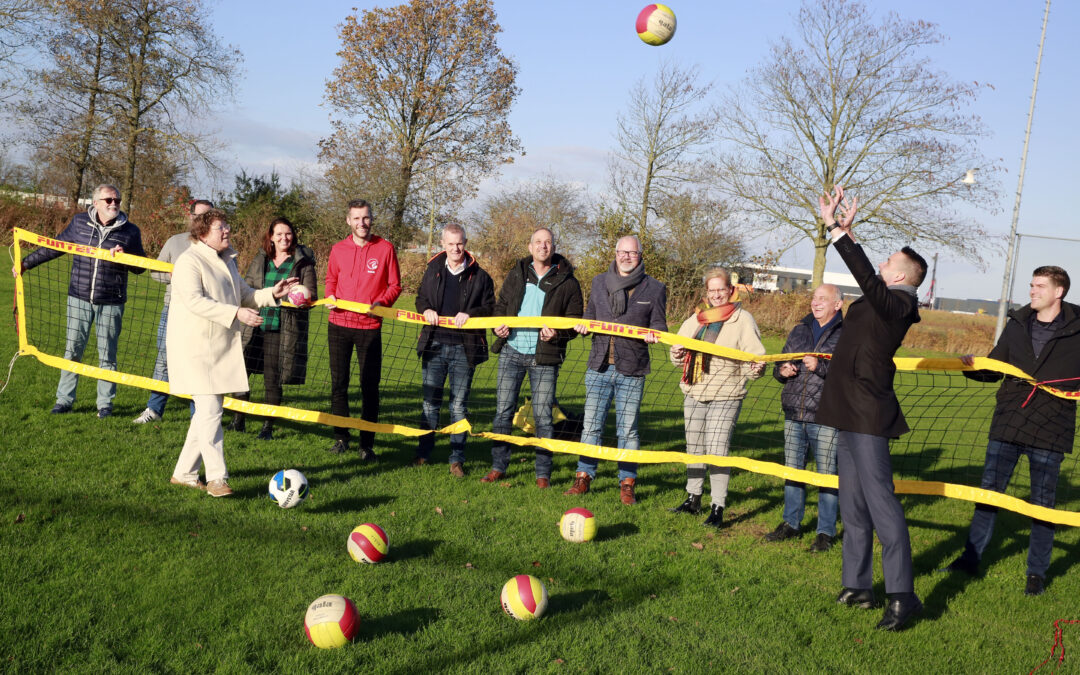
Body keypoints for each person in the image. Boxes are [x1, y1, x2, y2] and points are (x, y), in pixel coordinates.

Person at [815, 185, 927, 631]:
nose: (881, 263)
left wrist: (839, 232)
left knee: (882, 504)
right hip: (846, 408)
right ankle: (858, 584)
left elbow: (868, 280)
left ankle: (903, 595)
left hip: (867, 412)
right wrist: (847, 231)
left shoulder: (900, 303)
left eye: (887, 262)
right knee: (854, 503)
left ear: (900, 276)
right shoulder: (886, 298)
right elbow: (870, 289)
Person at [943, 266, 1080, 596]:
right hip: (1008, 423)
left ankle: (1036, 574)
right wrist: (973, 368)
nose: (1032, 291)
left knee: (1042, 506)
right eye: (1032, 285)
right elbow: (995, 367)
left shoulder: (1077, 329)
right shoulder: (1017, 323)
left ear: (1058, 292)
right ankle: (970, 560)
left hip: (1051, 428)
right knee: (988, 496)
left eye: (1040, 286)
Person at [166, 209, 295, 496]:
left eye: (227, 226)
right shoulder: (189, 261)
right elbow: (194, 301)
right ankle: (217, 479)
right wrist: (236, 313)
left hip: (218, 349)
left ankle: (184, 473)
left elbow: (246, 294)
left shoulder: (227, 260)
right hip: (195, 349)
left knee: (206, 414)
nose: (227, 231)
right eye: (220, 227)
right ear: (203, 233)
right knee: (211, 411)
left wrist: (273, 293)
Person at [16, 184, 145, 418]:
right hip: (79, 297)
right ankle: (64, 400)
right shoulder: (79, 223)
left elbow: (141, 267)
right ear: (95, 203)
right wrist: (25, 263)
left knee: (108, 355)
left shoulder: (130, 231)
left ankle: (105, 405)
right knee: (73, 350)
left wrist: (126, 258)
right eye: (108, 200)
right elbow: (54, 247)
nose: (114, 204)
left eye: (117, 200)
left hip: (112, 301)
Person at [565, 235, 667, 505]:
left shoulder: (655, 288)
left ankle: (627, 482)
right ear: (615, 253)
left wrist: (654, 333)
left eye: (632, 253)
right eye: (622, 252)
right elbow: (590, 315)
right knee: (590, 427)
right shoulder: (599, 282)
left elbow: (659, 324)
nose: (626, 257)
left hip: (632, 369)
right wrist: (584, 325)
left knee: (628, 430)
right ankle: (583, 476)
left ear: (640, 255)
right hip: (598, 367)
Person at [485, 227, 584, 488]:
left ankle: (543, 474)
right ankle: (498, 467)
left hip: (545, 358)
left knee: (543, 417)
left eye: (547, 242)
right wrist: (498, 326)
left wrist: (558, 333)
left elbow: (575, 321)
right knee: (503, 413)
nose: (543, 246)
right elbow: (501, 306)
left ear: (554, 247)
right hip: (511, 352)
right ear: (530, 247)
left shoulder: (568, 281)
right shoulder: (517, 274)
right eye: (538, 242)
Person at [668, 267, 766, 527]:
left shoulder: (742, 319)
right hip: (694, 391)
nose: (717, 295)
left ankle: (717, 506)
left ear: (730, 290)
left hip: (726, 395)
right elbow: (677, 355)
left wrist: (756, 368)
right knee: (694, 448)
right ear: (707, 292)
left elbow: (755, 360)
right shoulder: (697, 318)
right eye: (712, 290)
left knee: (717, 451)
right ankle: (693, 498)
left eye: (721, 289)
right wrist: (676, 354)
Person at [764, 284, 845, 551]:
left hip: (826, 415)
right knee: (792, 471)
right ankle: (791, 523)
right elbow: (780, 362)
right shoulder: (800, 329)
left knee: (826, 475)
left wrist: (820, 366)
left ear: (837, 305)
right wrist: (782, 370)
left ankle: (825, 532)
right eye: (814, 297)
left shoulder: (847, 333)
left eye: (823, 298)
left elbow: (851, 374)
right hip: (793, 412)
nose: (815, 302)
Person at [413, 224, 495, 475]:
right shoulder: (432, 270)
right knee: (430, 404)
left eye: (459, 243)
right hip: (434, 345)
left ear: (465, 243)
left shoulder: (481, 276)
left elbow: (490, 308)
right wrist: (426, 309)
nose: (455, 248)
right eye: (450, 244)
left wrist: (471, 314)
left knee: (459, 406)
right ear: (443, 244)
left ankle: (456, 459)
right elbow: (420, 299)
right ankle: (423, 453)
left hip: (464, 349)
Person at [325, 199, 402, 461]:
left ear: (372, 219)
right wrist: (330, 295)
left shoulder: (385, 248)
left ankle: (366, 444)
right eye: (357, 218)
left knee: (369, 387)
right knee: (339, 385)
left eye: (366, 217)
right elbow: (331, 279)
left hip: (369, 327)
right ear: (348, 220)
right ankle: (341, 438)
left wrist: (381, 304)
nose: (362, 223)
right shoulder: (338, 249)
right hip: (338, 325)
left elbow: (395, 285)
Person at [229, 217, 318, 440]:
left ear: (293, 236)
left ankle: (267, 426)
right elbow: (247, 288)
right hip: (254, 325)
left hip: (281, 329)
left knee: (272, 379)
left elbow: (312, 294)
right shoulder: (261, 259)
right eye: (279, 234)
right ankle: (238, 420)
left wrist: (302, 297)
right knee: (240, 373)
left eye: (288, 233)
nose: (283, 238)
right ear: (271, 237)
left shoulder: (303, 262)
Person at [133, 199, 213, 424]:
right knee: (164, 360)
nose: (203, 220)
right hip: (173, 310)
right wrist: (169, 275)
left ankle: (198, 416)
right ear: (190, 217)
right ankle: (154, 410)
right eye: (199, 216)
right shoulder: (175, 241)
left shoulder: (218, 245)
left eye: (208, 216)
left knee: (199, 363)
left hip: (204, 313)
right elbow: (155, 273)